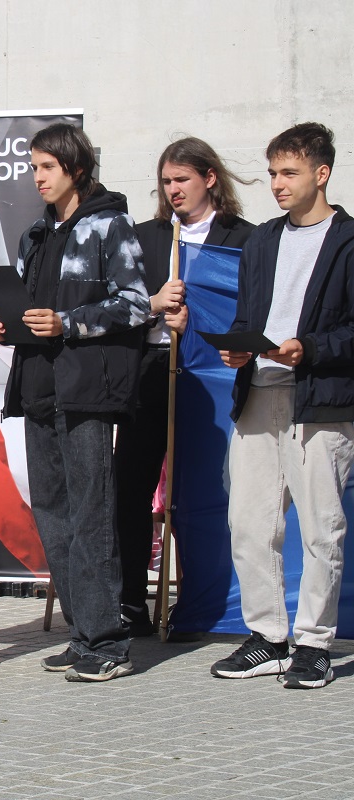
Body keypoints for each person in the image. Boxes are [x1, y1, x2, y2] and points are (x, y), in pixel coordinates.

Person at [0, 123, 149, 682]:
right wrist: (4, 324)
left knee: (91, 515)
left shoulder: (110, 225)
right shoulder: (35, 234)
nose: (37, 178)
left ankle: (108, 642)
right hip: (36, 389)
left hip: (86, 392)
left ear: (75, 168)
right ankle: (83, 635)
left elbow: (136, 304)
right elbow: (28, 313)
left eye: (46, 167)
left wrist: (68, 322)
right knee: (53, 517)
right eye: (33, 168)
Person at [211, 122, 354, 689]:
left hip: (319, 400)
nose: (277, 183)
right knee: (248, 523)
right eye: (272, 172)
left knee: (321, 528)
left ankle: (314, 644)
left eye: (289, 172)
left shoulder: (348, 241)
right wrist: (237, 347)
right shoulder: (262, 240)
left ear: (322, 173)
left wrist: (309, 349)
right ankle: (267, 638)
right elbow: (250, 317)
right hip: (258, 393)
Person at [118, 138, 255, 636]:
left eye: (182, 179)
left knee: (209, 488)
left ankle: (211, 601)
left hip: (212, 379)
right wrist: (154, 309)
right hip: (152, 371)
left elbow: (249, 313)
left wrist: (197, 323)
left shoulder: (244, 238)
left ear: (209, 178)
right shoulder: (146, 237)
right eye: (166, 181)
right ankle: (131, 601)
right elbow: (118, 306)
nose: (173, 190)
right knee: (130, 486)